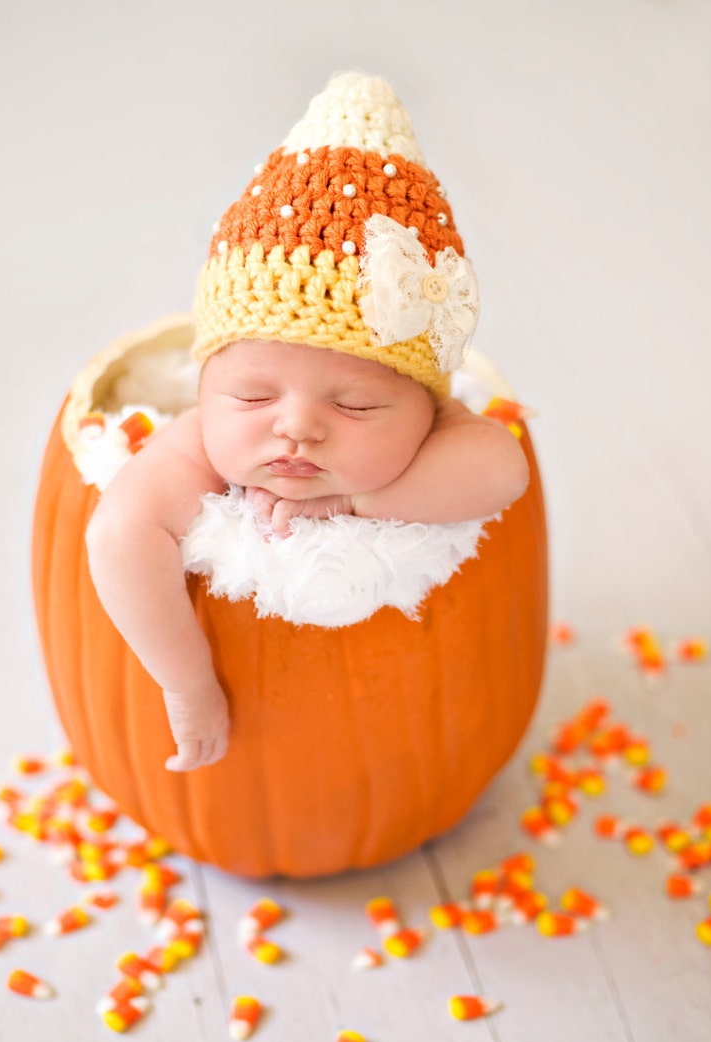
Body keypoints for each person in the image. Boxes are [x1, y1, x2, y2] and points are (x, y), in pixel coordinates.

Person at [85, 73, 530, 772]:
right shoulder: (200, 437)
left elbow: (503, 471)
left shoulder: (439, 419)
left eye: (353, 404)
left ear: (426, 404)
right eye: (254, 397)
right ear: (205, 382)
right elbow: (118, 534)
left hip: (397, 742)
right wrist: (189, 684)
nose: (295, 427)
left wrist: (350, 500)